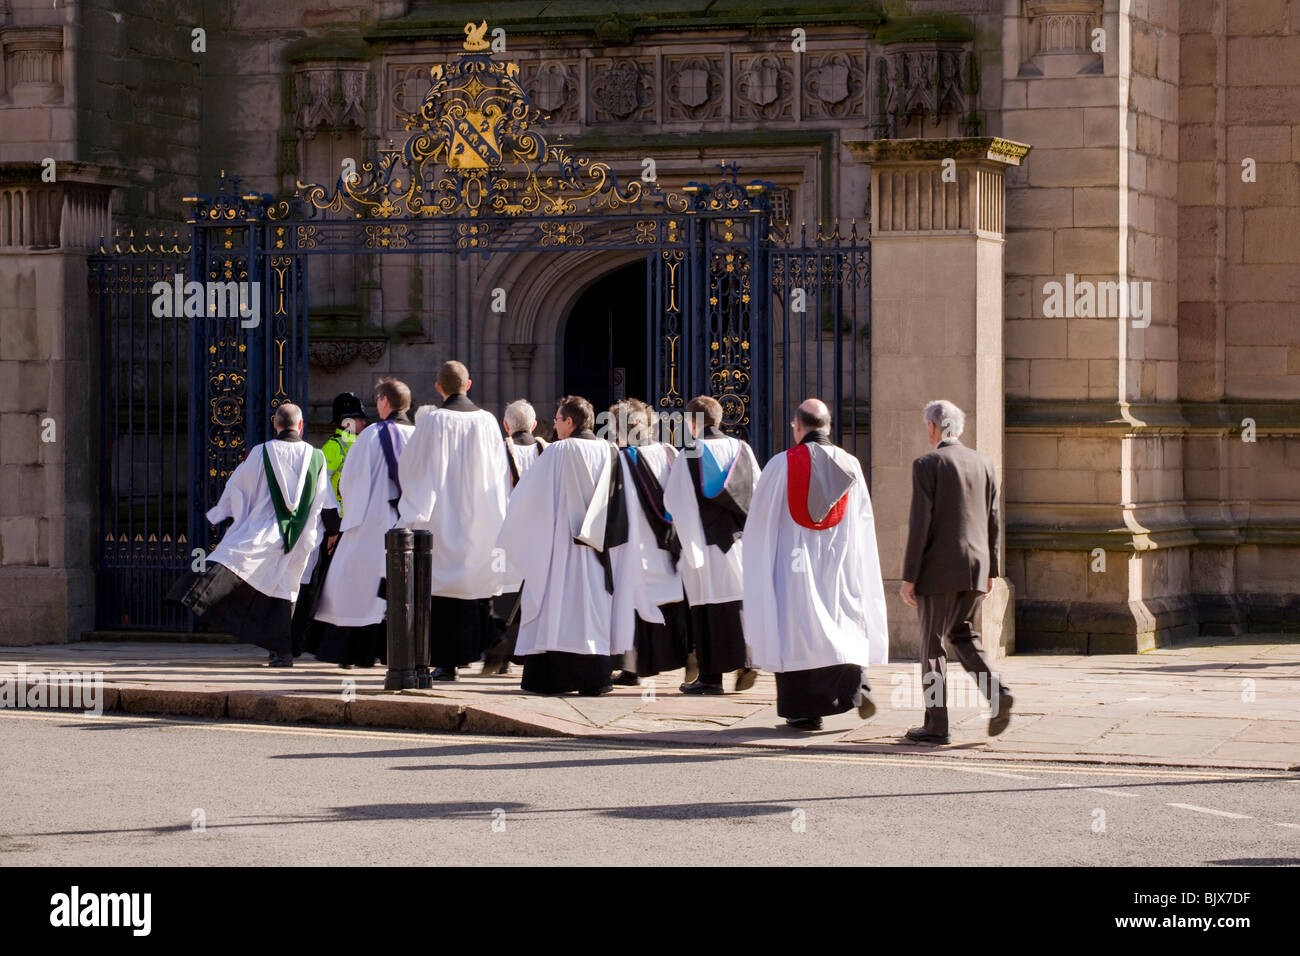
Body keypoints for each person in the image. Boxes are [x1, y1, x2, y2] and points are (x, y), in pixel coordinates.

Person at [742, 398, 888, 730]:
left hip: (794, 571)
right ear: (828, 427)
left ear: (797, 427)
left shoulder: (780, 465)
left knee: (798, 631)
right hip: (838, 567)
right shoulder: (850, 464)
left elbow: (760, 525)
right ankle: (855, 687)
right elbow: (863, 523)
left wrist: (761, 564)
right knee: (841, 622)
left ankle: (804, 711)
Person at [167, 403, 336, 667]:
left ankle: (195, 596)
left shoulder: (260, 453)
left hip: (265, 530)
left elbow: (237, 487)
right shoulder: (317, 457)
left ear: (276, 424)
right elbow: (327, 500)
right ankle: (281, 652)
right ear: (301, 426)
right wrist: (334, 531)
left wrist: (224, 513)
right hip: (301, 536)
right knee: (285, 590)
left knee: (233, 562)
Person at [496, 395, 632, 696]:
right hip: (598, 552)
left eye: (557, 419)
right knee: (592, 610)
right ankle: (596, 677)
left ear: (569, 421)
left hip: (561, 550)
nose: (554, 426)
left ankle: (554, 678)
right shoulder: (610, 451)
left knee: (558, 609)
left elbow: (526, 499)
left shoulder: (558, 451)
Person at [900, 399, 1012, 744]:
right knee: (962, 634)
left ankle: (937, 724)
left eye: (926, 427)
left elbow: (921, 524)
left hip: (938, 567)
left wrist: (909, 575)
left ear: (933, 427)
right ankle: (998, 693)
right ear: (959, 429)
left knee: (932, 646)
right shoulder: (984, 463)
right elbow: (994, 519)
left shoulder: (928, 463)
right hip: (976, 566)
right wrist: (992, 569)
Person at [397, 360, 509, 681]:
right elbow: (500, 469)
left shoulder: (433, 422)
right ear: (468, 385)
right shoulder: (488, 422)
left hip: (442, 514)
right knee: (476, 584)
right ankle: (493, 640)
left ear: (438, 387)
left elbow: (413, 468)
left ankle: (449, 661)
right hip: (481, 512)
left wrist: (414, 510)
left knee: (443, 590)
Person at [310, 377, 415, 669]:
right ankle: (398, 651)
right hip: (410, 522)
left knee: (356, 585)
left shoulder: (370, 437)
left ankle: (355, 651)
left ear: (384, 401)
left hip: (373, 521)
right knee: (402, 587)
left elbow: (350, 482)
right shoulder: (420, 435)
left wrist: (349, 519)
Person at [663, 395, 761, 695]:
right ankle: (747, 661)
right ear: (719, 420)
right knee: (737, 604)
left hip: (703, 544)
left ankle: (710, 678)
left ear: (692, 423)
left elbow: (674, 501)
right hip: (737, 543)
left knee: (706, 611)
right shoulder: (743, 450)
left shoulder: (690, 453)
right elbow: (757, 493)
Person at [607, 398, 689, 686]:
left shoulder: (621, 458)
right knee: (669, 597)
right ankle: (683, 654)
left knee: (634, 602)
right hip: (667, 538)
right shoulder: (668, 451)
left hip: (636, 541)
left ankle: (632, 667)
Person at [482, 399, 548, 676]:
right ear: (533, 425)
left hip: (505, 534)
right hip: (539, 536)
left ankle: (500, 656)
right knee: (534, 594)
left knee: (501, 594)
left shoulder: (497, 451)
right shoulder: (548, 450)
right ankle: (532, 654)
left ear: (505, 425)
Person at [323, 392, 367, 511]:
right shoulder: (333, 447)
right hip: (339, 519)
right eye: (360, 419)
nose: (364, 422)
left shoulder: (364, 444)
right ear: (347, 422)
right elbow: (320, 487)